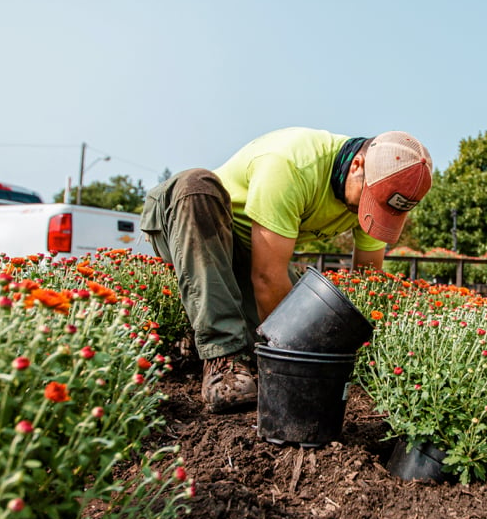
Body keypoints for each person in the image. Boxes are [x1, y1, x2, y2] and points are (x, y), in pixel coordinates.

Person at [141, 127, 433, 413]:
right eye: (371, 203)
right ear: (357, 164)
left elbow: (367, 285)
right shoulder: (290, 165)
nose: (369, 214)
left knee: (312, 321)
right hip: (194, 224)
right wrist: (288, 366)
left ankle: (224, 336)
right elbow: (268, 278)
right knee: (196, 185)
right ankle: (222, 360)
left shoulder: (373, 192)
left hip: (251, 251)